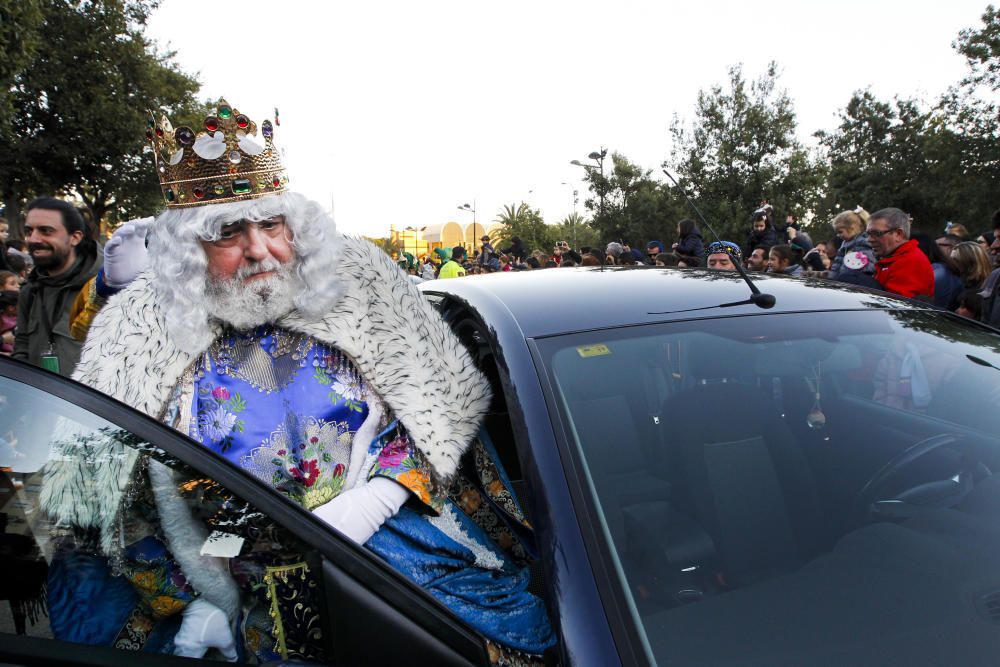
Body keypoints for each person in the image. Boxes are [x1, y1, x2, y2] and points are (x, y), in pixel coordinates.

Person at [40, 99, 553, 662]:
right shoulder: (141, 342)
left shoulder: (363, 307)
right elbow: (116, 501)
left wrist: (378, 499)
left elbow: (439, 414)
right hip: (248, 607)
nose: (259, 250)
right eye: (229, 232)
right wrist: (196, 599)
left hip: (392, 570)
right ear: (188, 252)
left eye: (270, 224)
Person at [12, 197, 103, 375]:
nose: (33, 239)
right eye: (29, 231)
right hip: (41, 398)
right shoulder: (30, 291)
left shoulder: (107, 289)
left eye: (46, 231)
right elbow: (22, 346)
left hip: (91, 401)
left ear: (75, 237)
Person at [867, 208, 934, 300]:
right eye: (868, 234)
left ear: (898, 234)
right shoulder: (896, 258)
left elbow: (894, 306)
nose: (869, 239)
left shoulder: (910, 261)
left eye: (876, 233)